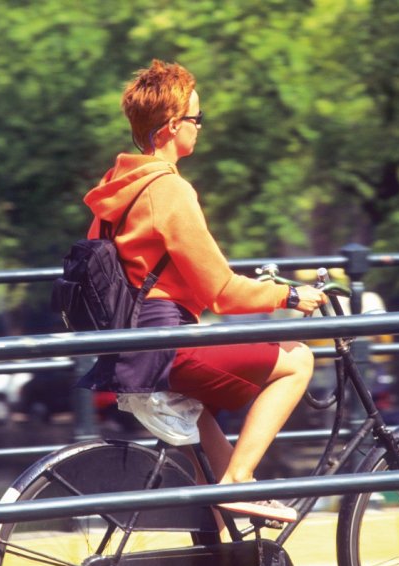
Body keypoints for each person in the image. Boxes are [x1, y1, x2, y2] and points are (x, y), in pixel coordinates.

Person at [78, 59, 327, 523]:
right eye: (197, 118)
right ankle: (239, 482)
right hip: (168, 344)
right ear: (172, 126)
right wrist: (291, 298)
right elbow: (222, 293)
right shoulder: (168, 191)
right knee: (298, 360)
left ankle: (220, 541)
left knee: (207, 458)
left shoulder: (116, 189)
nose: (200, 127)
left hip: (129, 346)